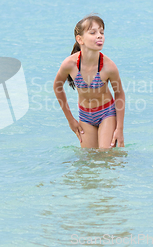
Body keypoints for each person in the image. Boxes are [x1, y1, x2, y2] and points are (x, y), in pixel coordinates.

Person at [53, 14, 125, 148]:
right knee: (88, 160)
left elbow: (119, 94)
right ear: (80, 39)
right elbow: (57, 87)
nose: (99, 36)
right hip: (85, 115)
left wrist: (119, 129)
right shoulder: (70, 64)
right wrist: (70, 120)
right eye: (93, 32)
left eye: (102, 32)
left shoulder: (109, 66)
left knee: (106, 155)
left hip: (106, 113)